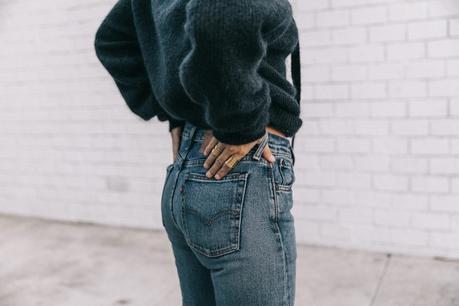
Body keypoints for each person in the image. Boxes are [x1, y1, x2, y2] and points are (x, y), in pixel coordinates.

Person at [94, 0, 302, 305]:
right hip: (237, 173)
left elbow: (112, 38)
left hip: (190, 175)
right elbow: (219, 14)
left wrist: (175, 114)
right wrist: (239, 125)